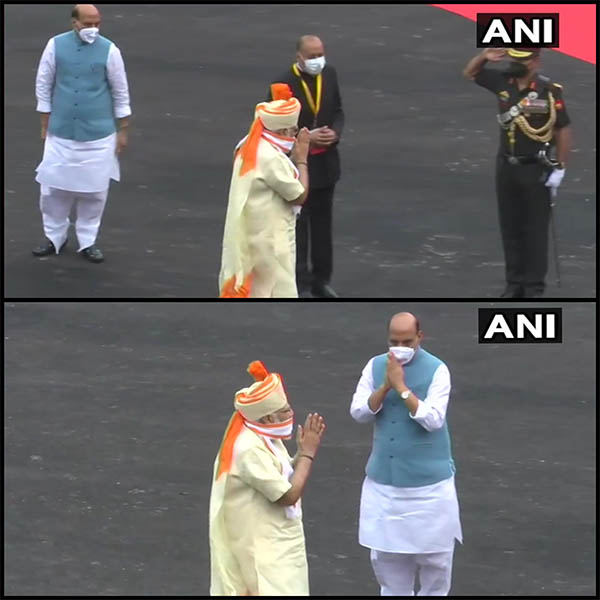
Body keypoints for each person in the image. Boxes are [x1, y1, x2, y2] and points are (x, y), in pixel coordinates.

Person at [350, 312, 462, 596]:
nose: (400, 346)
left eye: (407, 341)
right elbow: (359, 412)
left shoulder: (438, 370)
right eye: (394, 341)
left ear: (420, 337)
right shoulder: (375, 366)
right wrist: (385, 385)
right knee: (387, 562)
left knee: (435, 563)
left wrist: (400, 388)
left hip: (429, 487)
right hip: (384, 485)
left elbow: (434, 419)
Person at [209, 360, 326, 596]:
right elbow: (287, 495)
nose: (292, 414)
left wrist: (299, 456)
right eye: (284, 411)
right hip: (262, 551)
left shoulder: (265, 438)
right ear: (267, 418)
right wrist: (307, 454)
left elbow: (281, 472)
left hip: (278, 541)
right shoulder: (249, 448)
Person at [463, 48, 572, 298]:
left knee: (534, 230)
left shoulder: (549, 92)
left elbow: (563, 130)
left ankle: (533, 286)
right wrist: (483, 57)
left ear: (535, 62)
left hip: (535, 168)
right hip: (507, 167)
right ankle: (514, 283)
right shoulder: (503, 82)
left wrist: (561, 168)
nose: (516, 64)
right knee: (510, 227)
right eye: (514, 59)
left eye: (522, 61)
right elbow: (469, 73)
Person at [33, 4, 132, 263]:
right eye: (87, 23)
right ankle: (54, 237)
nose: (93, 29)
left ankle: (88, 241)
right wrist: (45, 122)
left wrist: (123, 129)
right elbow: (43, 83)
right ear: (74, 23)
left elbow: (120, 91)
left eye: (97, 23)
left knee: (95, 193)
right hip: (61, 131)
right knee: (52, 190)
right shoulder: (54, 45)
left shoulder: (110, 50)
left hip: (99, 133)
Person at [268, 35, 345, 298]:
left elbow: (337, 110)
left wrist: (335, 132)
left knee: (324, 228)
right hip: (296, 167)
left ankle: (322, 281)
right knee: (297, 228)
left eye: (320, 54)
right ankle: (298, 282)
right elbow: (272, 127)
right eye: (311, 56)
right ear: (298, 57)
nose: (317, 61)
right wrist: (306, 137)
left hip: (326, 165)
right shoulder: (283, 84)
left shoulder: (330, 74)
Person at [219, 87, 310, 298]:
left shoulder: (249, 145)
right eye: (293, 131)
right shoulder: (271, 158)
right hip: (272, 244)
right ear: (282, 132)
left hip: (252, 237)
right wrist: (302, 158)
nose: (295, 136)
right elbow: (299, 195)